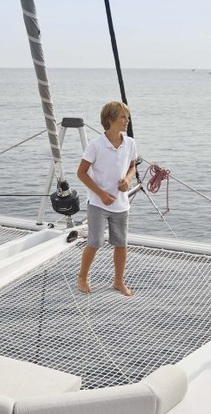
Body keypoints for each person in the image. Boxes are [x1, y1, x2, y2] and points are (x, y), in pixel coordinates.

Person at [77, 101, 138, 296]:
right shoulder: (96, 145)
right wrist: (101, 194)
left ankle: (118, 281)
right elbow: (81, 173)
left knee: (121, 244)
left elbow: (132, 167)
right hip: (98, 203)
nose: (127, 121)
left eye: (127, 117)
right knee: (94, 242)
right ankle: (82, 277)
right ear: (110, 120)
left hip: (121, 204)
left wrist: (128, 180)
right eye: (123, 117)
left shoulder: (130, 143)